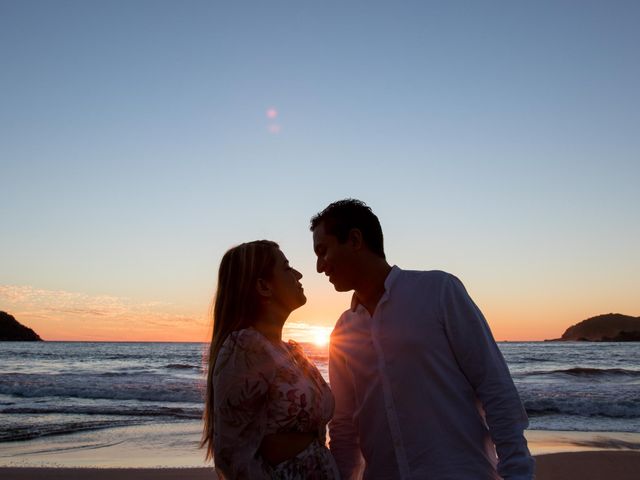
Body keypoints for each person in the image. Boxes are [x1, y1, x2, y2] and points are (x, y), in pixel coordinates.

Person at [310, 199, 535, 480]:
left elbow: (495, 387)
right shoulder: (343, 330)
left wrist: (517, 472)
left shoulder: (439, 291)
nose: (319, 267)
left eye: (323, 251)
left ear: (355, 239)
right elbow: (345, 426)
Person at [201, 240, 340, 479]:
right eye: (286, 267)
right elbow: (233, 458)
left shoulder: (292, 352)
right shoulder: (245, 348)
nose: (298, 274)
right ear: (264, 287)